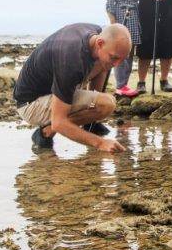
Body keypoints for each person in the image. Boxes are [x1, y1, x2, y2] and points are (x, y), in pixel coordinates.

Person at [13, 23, 130, 153]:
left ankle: (90, 123)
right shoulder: (71, 59)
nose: (117, 64)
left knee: (104, 63)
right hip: (30, 104)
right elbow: (59, 122)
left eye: (122, 60)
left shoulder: (96, 32)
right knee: (106, 104)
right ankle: (45, 133)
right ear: (100, 43)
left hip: (54, 86)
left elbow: (104, 63)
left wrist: (92, 113)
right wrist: (100, 143)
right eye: (114, 57)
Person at [105, 0, 141, 98]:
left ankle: (124, 84)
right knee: (121, 51)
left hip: (134, 16)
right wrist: (114, 25)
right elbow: (109, 4)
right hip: (122, 17)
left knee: (130, 51)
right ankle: (120, 85)